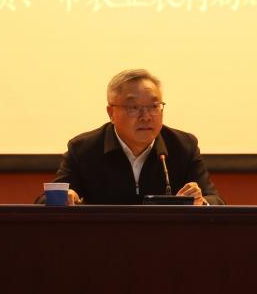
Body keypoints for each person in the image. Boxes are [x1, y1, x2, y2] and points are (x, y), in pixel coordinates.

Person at [37, 69, 224, 205]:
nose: (146, 116)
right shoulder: (84, 149)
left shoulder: (183, 146)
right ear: (111, 113)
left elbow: (215, 200)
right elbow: (44, 201)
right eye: (134, 107)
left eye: (154, 106)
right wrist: (63, 198)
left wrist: (201, 202)